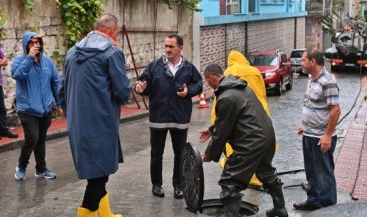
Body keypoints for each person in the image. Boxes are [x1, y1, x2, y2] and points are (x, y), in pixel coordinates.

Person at [59, 14, 130, 217]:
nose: (116, 37)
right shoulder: (111, 52)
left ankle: (105, 213)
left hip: (78, 123)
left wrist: (72, 114)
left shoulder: (72, 52)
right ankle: (86, 213)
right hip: (102, 122)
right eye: (116, 33)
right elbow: (122, 92)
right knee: (100, 175)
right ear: (111, 31)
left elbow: (61, 91)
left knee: (98, 171)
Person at [199, 64, 288, 217]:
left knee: (230, 180)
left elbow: (223, 131)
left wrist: (209, 154)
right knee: (266, 172)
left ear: (211, 78)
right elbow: (233, 118)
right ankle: (280, 209)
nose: (209, 84)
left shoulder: (226, 96)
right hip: (266, 139)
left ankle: (230, 215)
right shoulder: (242, 88)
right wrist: (211, 129)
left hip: (251, 143)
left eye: (208, 82)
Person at [135, 33, 203, 199]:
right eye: (166, 46)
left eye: (171, 46)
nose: (167, 49)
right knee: (156, 154)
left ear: (181, 48)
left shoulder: (188, 68)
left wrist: (189, 92)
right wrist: (141, 88)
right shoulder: (154, 66)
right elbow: (143, 84)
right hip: (158, 118)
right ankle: (156, 185)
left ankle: (178, 186)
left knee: (180, 154)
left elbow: (199, 84)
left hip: (180, 118)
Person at [211, 50, 272, 188]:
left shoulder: (227, 74)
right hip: (257, 109)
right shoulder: (254, 71)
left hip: (235, 113)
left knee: (236, 148)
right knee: (260, 150)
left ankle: (234, 185)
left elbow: (220, 100)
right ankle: (258, 179)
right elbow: (262, 93)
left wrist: (214, 124)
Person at [293, 49, 341, 211]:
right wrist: (305, 126)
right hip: (309, 135)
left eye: (304, 60)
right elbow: (313, 106)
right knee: (312, 172)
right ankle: (313, 201)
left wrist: (327, 135)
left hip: (321, 138)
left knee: (324, 174)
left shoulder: (327, 82)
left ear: (313, 62)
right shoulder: (312, 80)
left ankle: (329, 209)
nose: (301, 63)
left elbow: (335, 110)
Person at [11, 32, 60, 181]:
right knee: (32, 138)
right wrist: (29, 59)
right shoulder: (19, 61)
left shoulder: (47, 62)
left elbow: (55, 82)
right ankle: (21, 166)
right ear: (26, 45)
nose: (35, 45)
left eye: (37, 42)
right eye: (32, 43)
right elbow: (17, 75)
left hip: (45, 109)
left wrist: (59, 103)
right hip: (27, 109)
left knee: (41, 139)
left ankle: (41, 169)